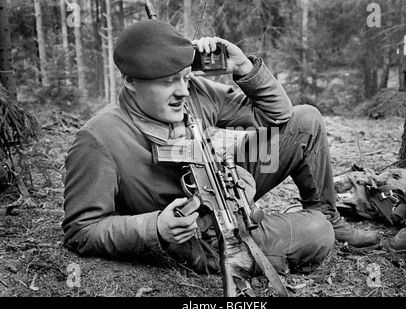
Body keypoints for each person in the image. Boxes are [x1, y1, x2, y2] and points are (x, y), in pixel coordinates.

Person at [62, 19, 381, 277]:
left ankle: (329, 214)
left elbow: (276, 116)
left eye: (186, 77)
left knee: (306, 121)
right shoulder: (97, 139)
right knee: (316, 233)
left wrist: (244, 68)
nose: (183, 92)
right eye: (168, 81)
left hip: (221, 184)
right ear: (130, 81)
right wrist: (155, 227)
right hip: (197, 233)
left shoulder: (195, 91)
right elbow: (82, 230)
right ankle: (257, 243)